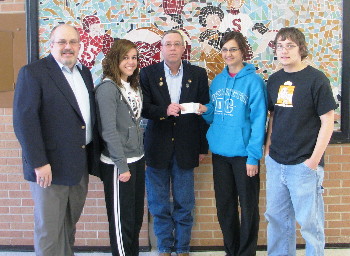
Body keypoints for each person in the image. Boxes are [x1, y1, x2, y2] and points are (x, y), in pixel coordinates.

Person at [13, 24, 100, 256]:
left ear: (80, 46)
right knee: (50, 231)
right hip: (48, 168)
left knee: (68, 227)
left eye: (73, 42)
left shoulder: (84, 73)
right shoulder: (33, 73)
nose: (67, 47)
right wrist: (39, 163)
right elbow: (25, 122)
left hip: (78, 165)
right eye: (61, 42)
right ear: (51, 45)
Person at [264, 27, 337, 256]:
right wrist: (267, 151)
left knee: (310, 225)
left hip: (304, 165)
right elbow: (273, 116)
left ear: (301, 49)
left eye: (290, 45)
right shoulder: (274, 80)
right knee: (276, 221)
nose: (284, 50)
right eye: (280, 46)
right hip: (276, 163)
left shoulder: (316, 79)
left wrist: (313, 162)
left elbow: (328, 122)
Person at [139, 30, 209, 256]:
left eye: (176, 44)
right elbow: (143, 108)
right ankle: (165, 248)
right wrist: (163, 111)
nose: (172, 48)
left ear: (183, 48)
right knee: (159, 205)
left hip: (187, 148)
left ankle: (182, 248)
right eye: (167, 44)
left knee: (184, 204)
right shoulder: (147, 74)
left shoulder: (197, 74)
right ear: (161, 48)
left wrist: (201, 147)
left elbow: (203, 113)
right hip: (156, 148)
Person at [198, 31, 267, 256]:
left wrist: (253, 156)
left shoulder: (254, 82)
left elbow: (259, 121)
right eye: (225, 49)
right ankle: (232, 250)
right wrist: (205, 110)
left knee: (248, 208)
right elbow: (214, 116)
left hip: (244, 156)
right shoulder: (218, 81)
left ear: (242, 51)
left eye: (233, 49)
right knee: (225, 207)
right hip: (220, 154)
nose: (228, 54)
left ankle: (246, 253)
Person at [94, 39, 145, 256]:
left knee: (134, 220)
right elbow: (109, 131)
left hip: (137, 159)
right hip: (118, 165)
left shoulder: (132, 85)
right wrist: (122, 165)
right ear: (115, 59)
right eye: (125, 57)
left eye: (134, 57)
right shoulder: (108, 88)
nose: (131, 62)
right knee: (121, 224)